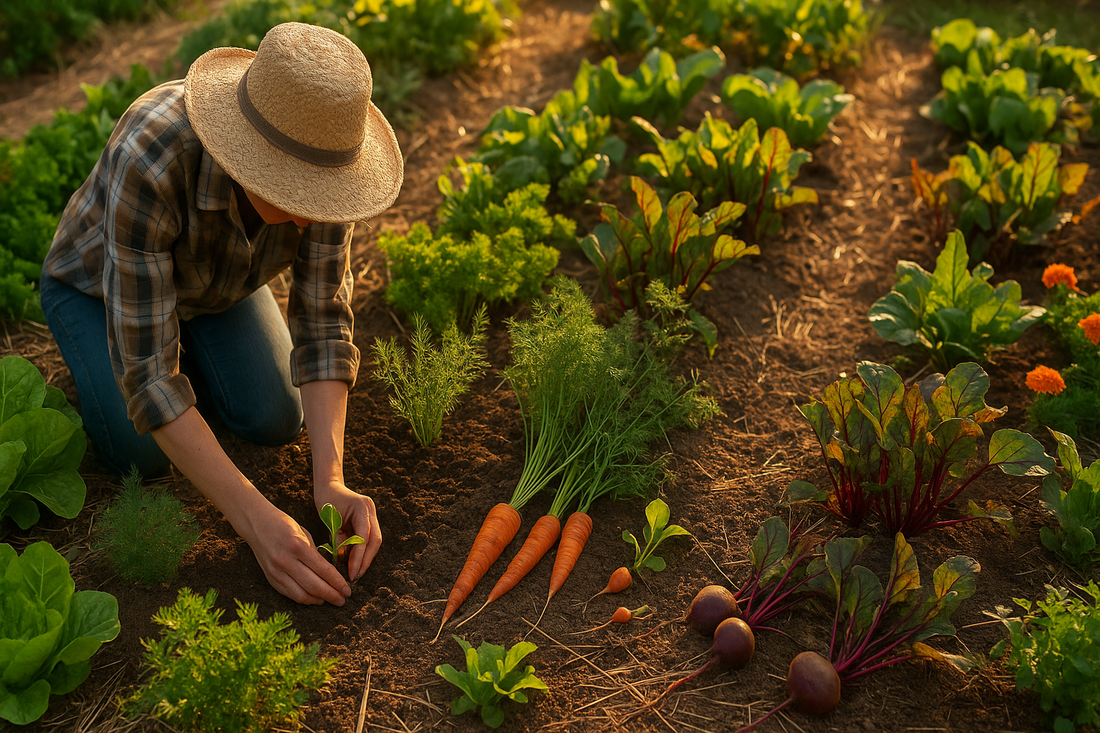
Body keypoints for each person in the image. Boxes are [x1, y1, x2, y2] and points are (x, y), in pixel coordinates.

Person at [39, 22, 403, 607]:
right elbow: (151, 378)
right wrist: (255, 521)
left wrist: (330, 480)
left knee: (277, 417)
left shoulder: (326, 159)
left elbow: (324, 324)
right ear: (250, 161)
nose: (318, 215)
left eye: (327, 194)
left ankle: (198, 379)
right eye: (300, 193)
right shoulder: (152, 154)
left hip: (216, 291)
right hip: (95, 292)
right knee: (143, 452)